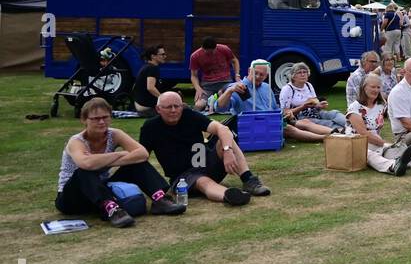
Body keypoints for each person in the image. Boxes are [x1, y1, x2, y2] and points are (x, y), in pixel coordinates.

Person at [56, 97, 186, 227]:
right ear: (84, 120)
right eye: (95, 119)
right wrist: (119, 154)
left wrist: (108, 161)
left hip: (99, 189)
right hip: (72, 197)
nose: (101, 122)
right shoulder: (76, 141)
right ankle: (112, 210)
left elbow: (142, 153)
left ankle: (160, 199)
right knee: (83, 172)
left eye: (105, 117)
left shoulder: (114, 134)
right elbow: (86, 164)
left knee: (137, 163)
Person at [140, 92, 270, 205]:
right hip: (183, 178)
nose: (174, 110)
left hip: (205, 163)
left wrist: (227, 150)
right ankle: (230, 195)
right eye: (168, 107)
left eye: (177, 106)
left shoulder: (189, 115)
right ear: (158, 109)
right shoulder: (150, 127)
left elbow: (222, 128)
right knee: (203, 181)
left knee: (225, 139)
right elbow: (142, 157)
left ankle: (249, 180)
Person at [346, 73, 411, 175]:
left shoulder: (380, 105)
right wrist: (383, 142)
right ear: (364, 88)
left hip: (375, 143)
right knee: (369, 154)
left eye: (378, 87)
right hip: (355, 144)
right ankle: (393, 166)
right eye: (372, 87)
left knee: (397, 151)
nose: (376, 90)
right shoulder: (354, 107)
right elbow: (363, 134)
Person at [279, 63, 348, 132]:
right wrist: (303, 106)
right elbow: (285, 113)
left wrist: (319, 105)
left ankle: (351, 124)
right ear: (293, 76)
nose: (303, 74)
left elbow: (314, 103)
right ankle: (343, 130)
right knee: (326, 122)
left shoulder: (308, 85)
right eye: (299, 73)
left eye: (305, 72)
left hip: (314, 112)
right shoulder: (287, 89)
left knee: (334, 113)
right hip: (300, 117)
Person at [188, 37, 239, 111]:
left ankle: (214, 102)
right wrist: (198, 88)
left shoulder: (224, 49)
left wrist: (237, 75)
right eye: (207, 52)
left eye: (212, 51)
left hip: (225, 82)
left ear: (216, 47)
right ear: (202, 48)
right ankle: (211, 103)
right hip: (207, 85)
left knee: (232, 102)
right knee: (198, 106)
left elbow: (234, 60)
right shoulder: (195, 56)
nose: (210, 54)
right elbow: (193, 76)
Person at [133, 44, 168, 115]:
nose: (165, 56)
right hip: (145, 107)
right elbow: (150, 88)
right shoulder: (152, 68)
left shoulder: (147, 67)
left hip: (140, 104)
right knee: (181, 108)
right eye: (162, 54)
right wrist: (163, 99)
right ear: (153, 56)